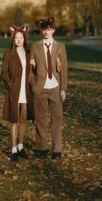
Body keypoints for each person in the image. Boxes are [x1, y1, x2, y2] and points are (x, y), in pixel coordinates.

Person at [29, 17, 68, 159]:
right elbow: (30, 69)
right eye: (44, 29)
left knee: (57, 118)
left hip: (55, 87)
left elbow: (63, 70)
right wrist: (33, 85)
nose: (47, 32)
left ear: (53, 30)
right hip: (40, 87)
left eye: (49, 29)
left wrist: (63, 89)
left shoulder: (60, 47)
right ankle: (41, 147)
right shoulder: (35, 46)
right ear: (41, 30)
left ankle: (57, 149)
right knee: (40, 118)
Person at [1, 25, 34, 162]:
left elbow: (33, 70)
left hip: (25, 91)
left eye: (21, 38)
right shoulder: (9, 53)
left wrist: (34, 64)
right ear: (13, 39)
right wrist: (9, 84)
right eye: (16, 38)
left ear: (24, 38)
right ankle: (13, 149)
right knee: (14, 120)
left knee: (23, 119)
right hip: (14, 90)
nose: (19, 40)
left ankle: (20, 146)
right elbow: (4, 72)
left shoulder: (28, 52)